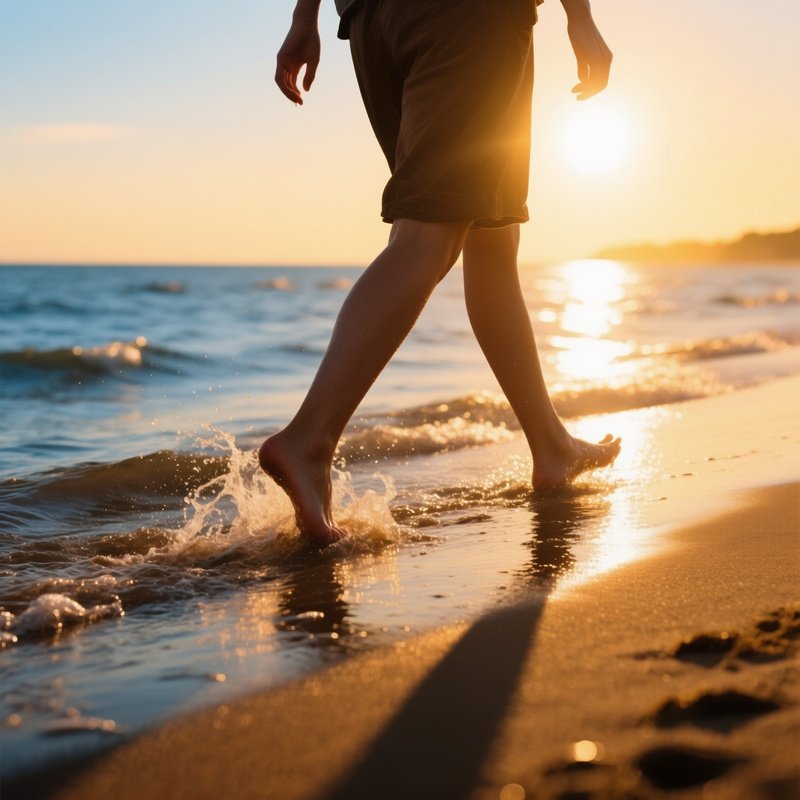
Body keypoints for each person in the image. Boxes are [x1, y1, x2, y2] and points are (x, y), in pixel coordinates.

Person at [260, 0, 620, 545]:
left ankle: (551, 446)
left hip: (372, 22)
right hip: (470, 17)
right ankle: (308, 440)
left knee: (489, 233)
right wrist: (581, 17)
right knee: (431, 230)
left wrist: (303, 19)